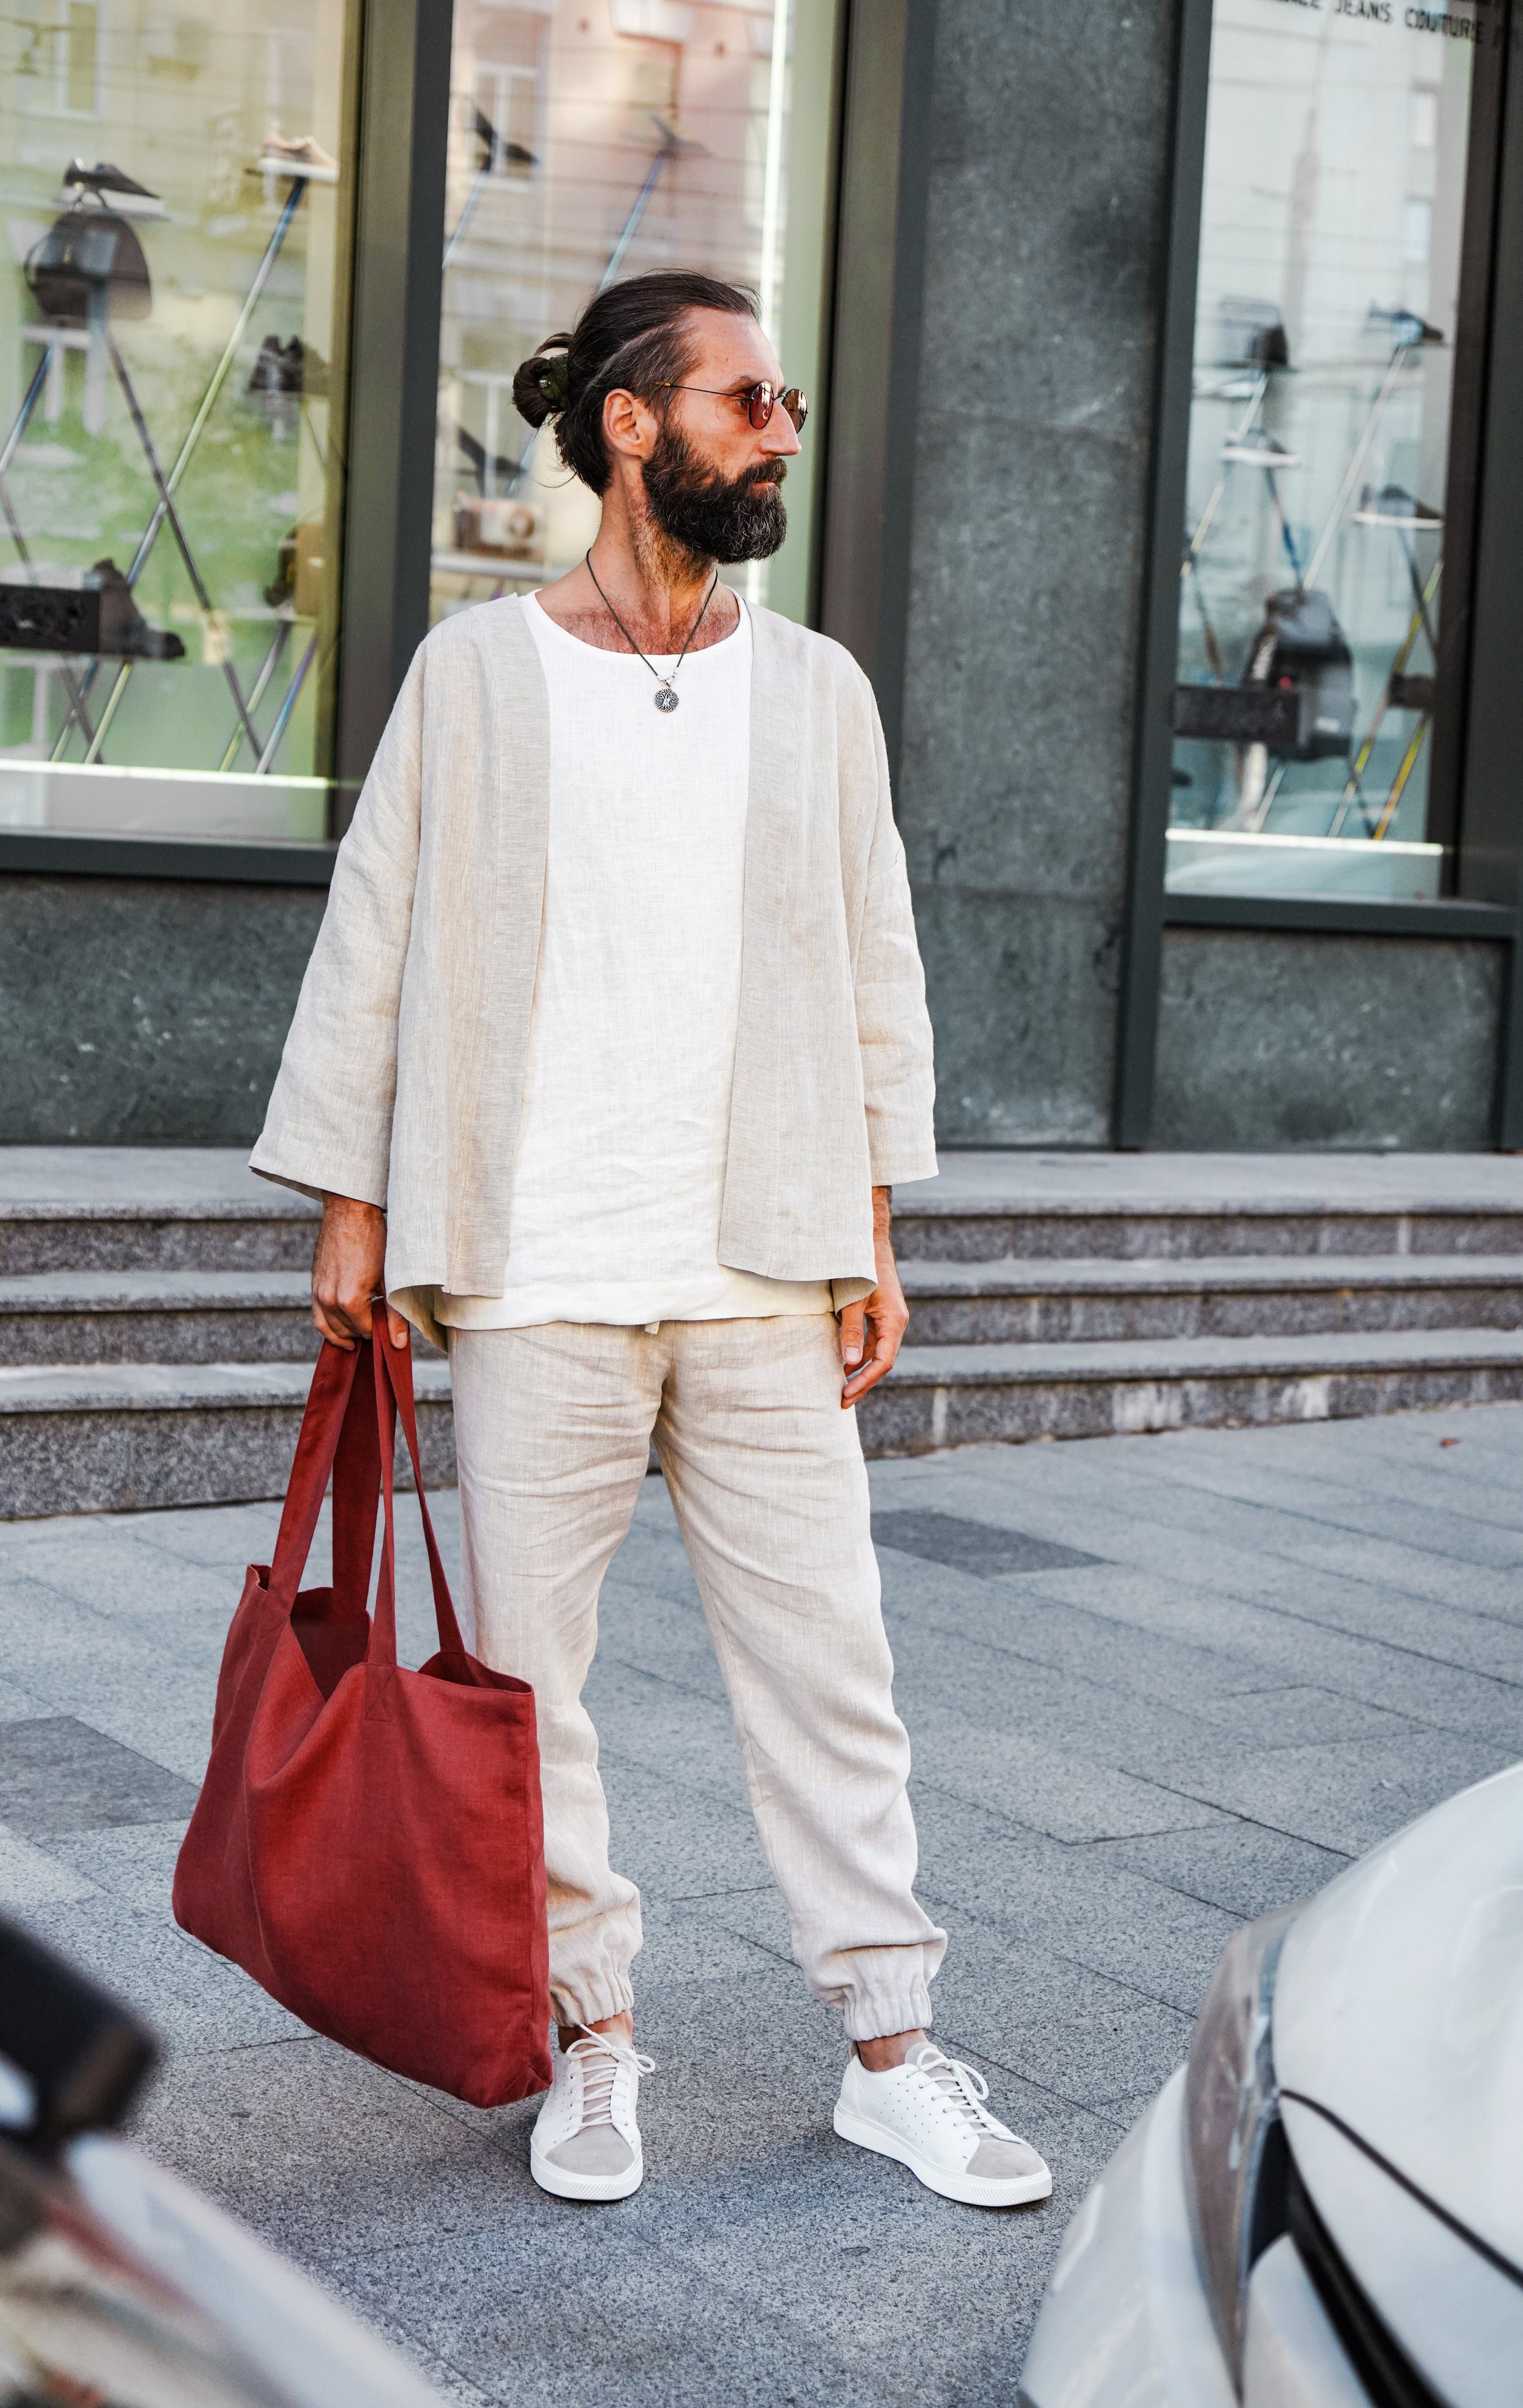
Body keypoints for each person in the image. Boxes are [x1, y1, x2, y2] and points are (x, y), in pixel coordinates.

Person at [251, 269, 1050, 2213]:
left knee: (831, 1667)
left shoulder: (814, 686)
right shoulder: (479, 671)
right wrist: (354, 1203)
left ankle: (887, 2044)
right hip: (533, 1262)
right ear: (631, 424)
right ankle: (592, 2039)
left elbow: (873, 963)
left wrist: (868, 1223)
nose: (780, 428)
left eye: (784, 404)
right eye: (744, 401)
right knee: (533, 1687)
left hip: (762, 1260)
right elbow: (377, 931)